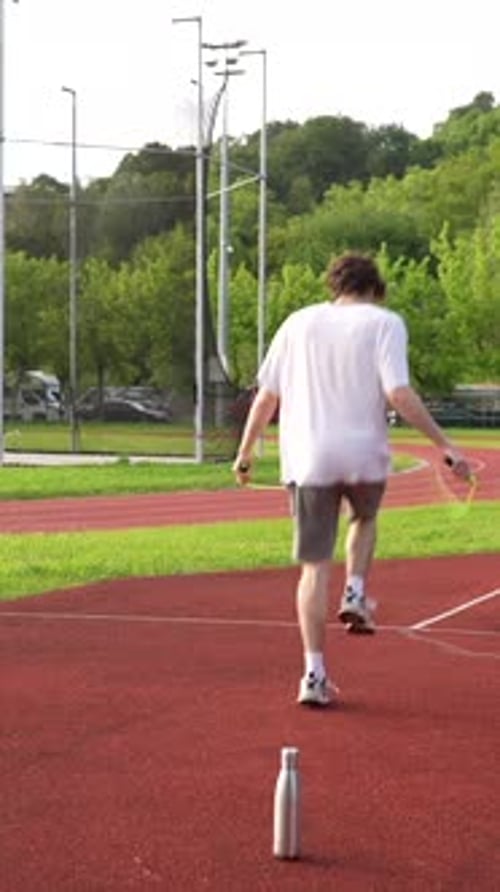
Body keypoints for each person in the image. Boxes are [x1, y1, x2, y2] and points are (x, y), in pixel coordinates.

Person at [232, 252, 472, 708]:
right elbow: (398, 393)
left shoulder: (297, 323)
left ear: (333, 285)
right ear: (375, 288)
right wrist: (445, 445)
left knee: (313, 566)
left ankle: (314, 673)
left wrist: (246, 452)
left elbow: (266, 397)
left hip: (308, 457)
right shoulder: (385, 323)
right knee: (363, 519)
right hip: (363, 451)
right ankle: (357, 590)